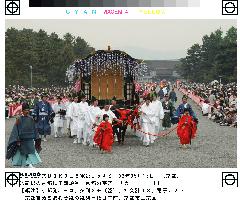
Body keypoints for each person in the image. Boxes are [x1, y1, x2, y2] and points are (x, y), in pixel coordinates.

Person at [6, 103, 42, 168]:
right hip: (22, 140)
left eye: (28, 110)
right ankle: (22, 164)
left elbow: (34, 129)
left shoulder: (31, 119)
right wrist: (17, 139)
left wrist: (36, 138)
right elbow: (15, 130)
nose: (27, 111)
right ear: (22, 111)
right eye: (25, 110)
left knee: (31, 151)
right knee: (21, 153)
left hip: (30, 139)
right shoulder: (19, 119)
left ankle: (29, 163)